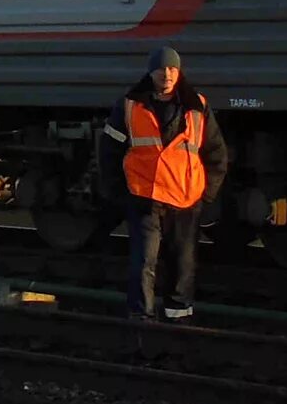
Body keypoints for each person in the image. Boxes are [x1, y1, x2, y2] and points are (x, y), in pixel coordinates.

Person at [94, 45, 227, 322]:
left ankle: (178, 319)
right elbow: (109, 151)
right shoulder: (130, 105)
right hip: (145, 198)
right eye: (161, 69)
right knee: (144, 263)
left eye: (172, 68)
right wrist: (121, 194)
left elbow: (216, 152)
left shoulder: (198, 107)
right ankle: (141, 319)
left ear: (179, 71)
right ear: (151, 71)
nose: (166, 74)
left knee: (183, 266)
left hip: (185, 199)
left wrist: (206, 195)